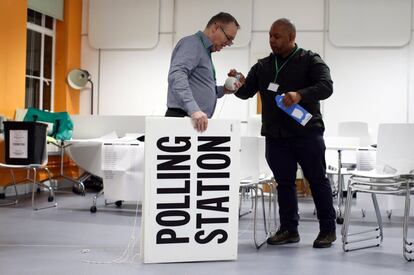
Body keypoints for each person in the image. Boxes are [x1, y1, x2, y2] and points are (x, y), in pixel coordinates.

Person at [230, 18, 336, 248]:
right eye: (270, 36)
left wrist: (300, 94)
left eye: (277, 36)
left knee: (317, 180)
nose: (272, 40)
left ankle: (327, 230)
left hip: (307, 133)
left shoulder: (310, 60)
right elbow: (246, 92)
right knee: (284, 183)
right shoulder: (263, 66)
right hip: (276, 137)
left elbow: (327, 87)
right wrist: (237, 81)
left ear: (291, 37)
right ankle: (289, 229)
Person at [165, 12, 240, 132]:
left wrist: (224, 90)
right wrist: (194, 109)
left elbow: (199, 86)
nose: (228, 43)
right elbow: (176, 75)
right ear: (215, 28)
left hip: (193, 120)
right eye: (228, 38)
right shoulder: (192, 44)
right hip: (184, 118)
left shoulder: (204, 51)